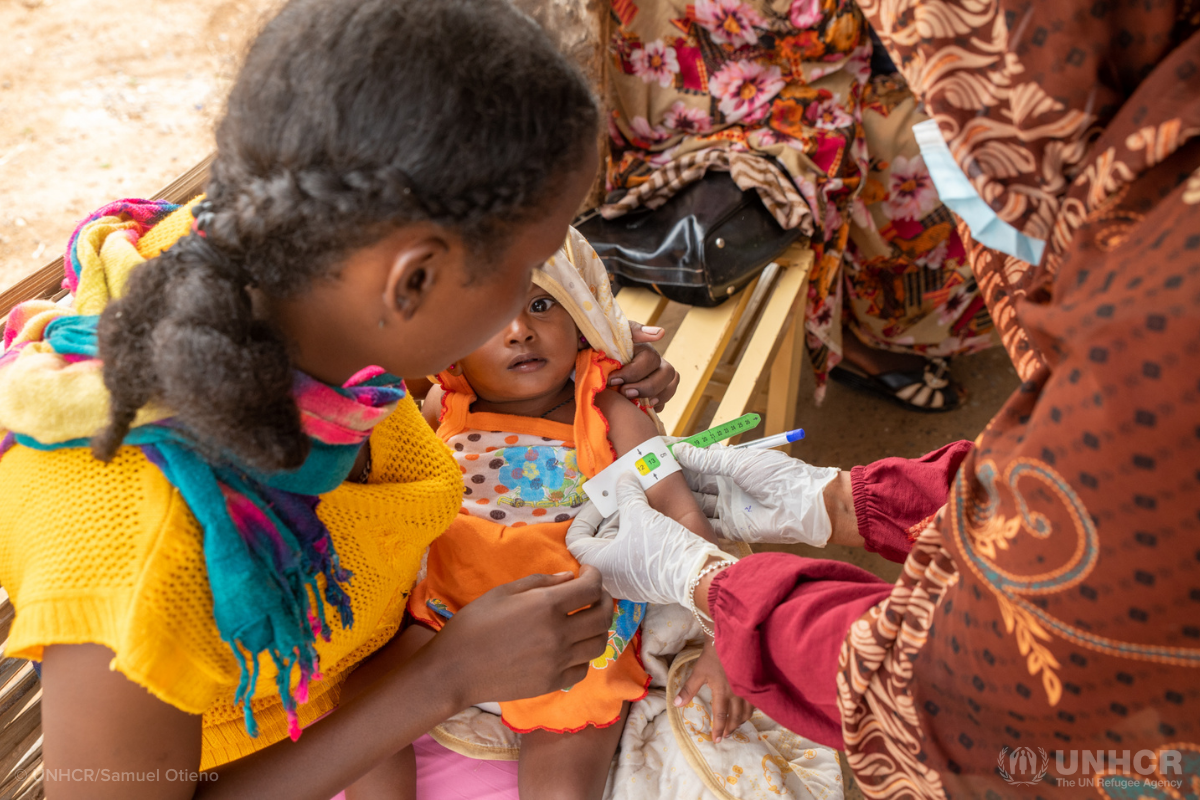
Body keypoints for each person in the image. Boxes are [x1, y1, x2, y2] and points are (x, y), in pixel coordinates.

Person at [0, 1, 681, 798]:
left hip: (383, 685)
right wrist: (444, 681)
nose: (533, 303)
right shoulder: (144, 547)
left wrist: (589, 355)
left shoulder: (290, 266)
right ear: (414, 279)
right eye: (532, 268)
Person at [568, 0, 1200, 796]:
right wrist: (839, 502)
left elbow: (961, 701)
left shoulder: (1160, 337)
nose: (942, 141)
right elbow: (1077, 505)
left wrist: (709, 581)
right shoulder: (1156, 223)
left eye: (945, 99)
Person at [345, 229, 745, 800]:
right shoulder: (441, 408)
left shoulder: (612, 411)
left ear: (581, 317)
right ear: (449, 344)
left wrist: (723, 637)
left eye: (540, 303)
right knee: (361, 711)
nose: (520, 330)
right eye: (488, 316)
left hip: (574, 645)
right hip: (442, 622)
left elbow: (681, 514)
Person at [596, 0, 996, 411]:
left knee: (948, 119)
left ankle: (886, 322)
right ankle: (866, 337)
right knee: (917, 144)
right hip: (728, 83)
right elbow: (815, 25)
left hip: (789, 58)